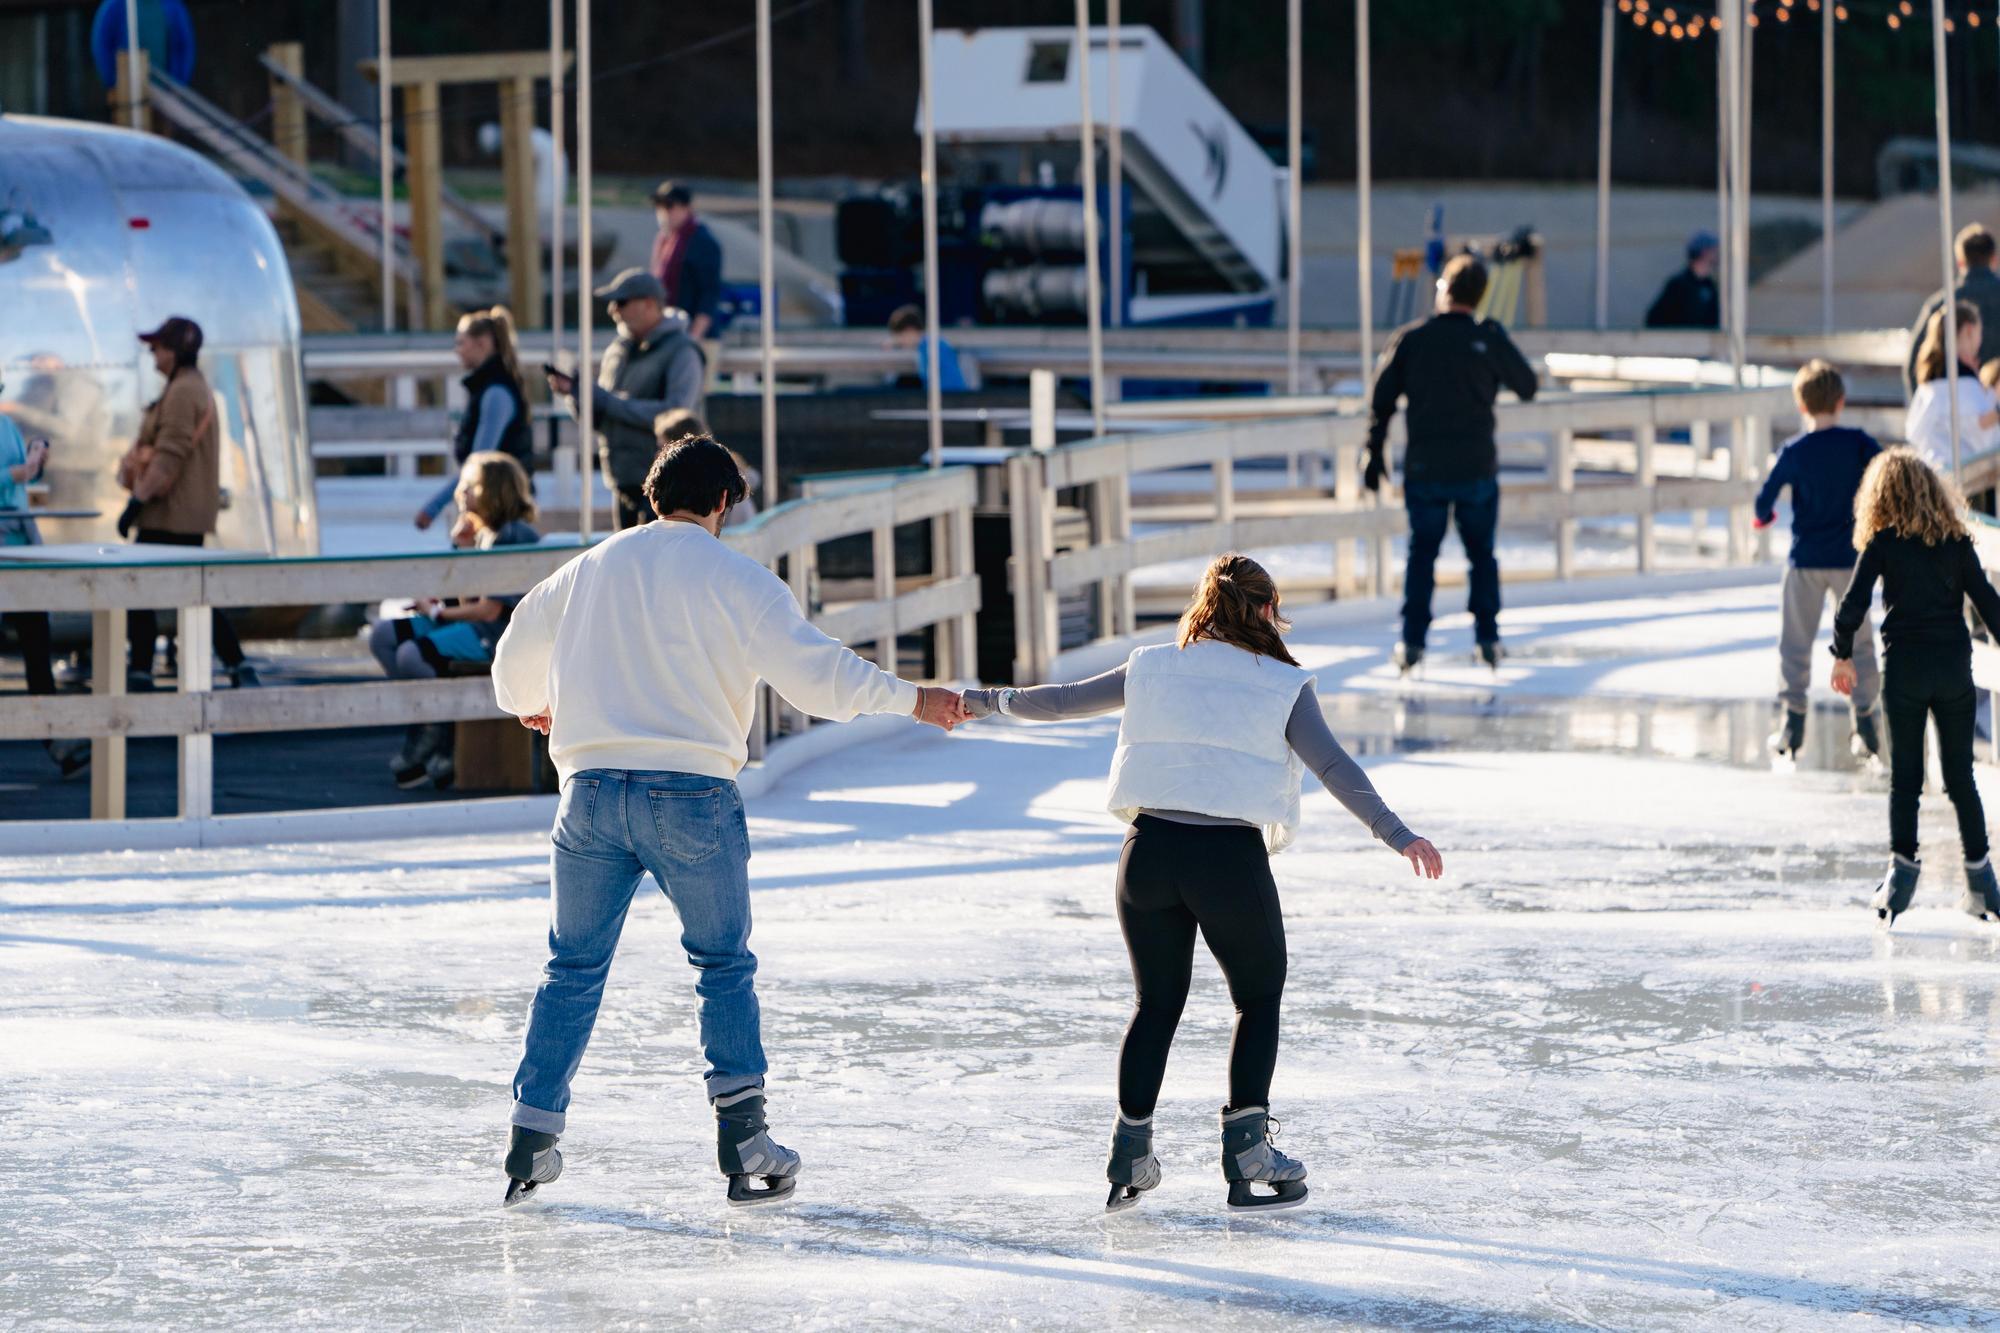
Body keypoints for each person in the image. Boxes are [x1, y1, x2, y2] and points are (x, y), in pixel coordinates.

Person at [488, 434, 969, 1208]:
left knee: (571, 968)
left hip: (588, 791)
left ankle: (530, 1140)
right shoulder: (737, 578)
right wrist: (914, 698)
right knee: (721, 964)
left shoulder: (587, 568)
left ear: (654, 495)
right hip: (691, 795)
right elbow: (820, 675)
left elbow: (513, 654)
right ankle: (745, 1139)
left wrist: (532, 701)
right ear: (719, 503)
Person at [959, 554, 1443, 1213]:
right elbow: (1332, 764)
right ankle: (1248, 1151)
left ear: (1204, 606)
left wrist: (982, 701)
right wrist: (1398, 833)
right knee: (1258, 996)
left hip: (1147, 853)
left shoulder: (1153, 664)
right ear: (1268, 611)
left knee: (1155, 1004)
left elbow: (1065, 702)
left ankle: (1130, 1153)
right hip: (1227, 861)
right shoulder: (1282, 684)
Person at [1831, 448, 2000, 928]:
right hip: (1952, 671)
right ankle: (1982, 883)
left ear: (1879, 495)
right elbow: (1990, 604)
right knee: (1960, 775)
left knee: (1905, 779)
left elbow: (1852, 606)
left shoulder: (1882, 543)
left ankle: (1900, 880)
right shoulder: (1957, 541)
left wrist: (1842, 654)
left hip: (1904, 670)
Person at [1364, 253, 1539, 672]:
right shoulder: (1488, 338)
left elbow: (1380, 399)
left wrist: (1374, 448)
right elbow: (1528, 386)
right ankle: (1487, 637)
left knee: (1421, 554)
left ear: (1445, 288)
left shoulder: (1413, 338)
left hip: (1427, 469)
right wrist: (1494, 345)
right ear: (1479, 296)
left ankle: (1412, 642)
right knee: (1482, 555)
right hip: (1476, 466)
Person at [372, 452, 542, 790]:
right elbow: (469, 600)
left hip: (497, 635)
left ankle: (438, 736)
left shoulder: (513, 534)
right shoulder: (485, 533)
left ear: (493, 490)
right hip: (476, 626)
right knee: (384, 636)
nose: (460, 493)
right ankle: (427, 724)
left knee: (412, 654)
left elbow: (490, 611)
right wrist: (462, 548)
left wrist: (437, 613)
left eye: (469, 486)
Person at [1753, 360, 1883, 763]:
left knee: (1795, 642)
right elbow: (1885, 476)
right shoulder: (1859, 443)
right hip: (1850, 560)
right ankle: (1866, 724)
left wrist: (1765, 518)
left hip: (1805, 561)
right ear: (1840, 401)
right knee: (1859, 641)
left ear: (1801, 405)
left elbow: (1764, 501)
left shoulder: (1794, 452)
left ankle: (1792, 723)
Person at [114, 317, 255, 690]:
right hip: (181, 515)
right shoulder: (189, 387)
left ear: (175, 352)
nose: (152, 356)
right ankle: (237, 665)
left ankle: (142, 670)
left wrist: (136, 502)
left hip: (170, 516)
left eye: (157, 348)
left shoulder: (181, 393)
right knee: (191, 594)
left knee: (143, 589)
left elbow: (169, 456)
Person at [546, 269, 705, 531]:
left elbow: (676, 416)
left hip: (666, 485)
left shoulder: (683, 351)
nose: (613, 310)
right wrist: (575, 394)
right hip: (622, 481)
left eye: (621, 302)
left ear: (650, 304)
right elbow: (601, 418)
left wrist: (604, 400)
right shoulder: (618, 350)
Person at [415, 307, 534, 532]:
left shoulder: (496, 392)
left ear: (483, 343)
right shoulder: (489, 387)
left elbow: (478, 462)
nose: (457, 350)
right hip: (494, 504)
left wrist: (433, 507)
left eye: (461, 343)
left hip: (503, 509)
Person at [1903, 224, 2000, 398]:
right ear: (1994, 259)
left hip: (1956, 410)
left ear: (1960, 261)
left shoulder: (1941, 305)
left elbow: (1916, 365)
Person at [1904, 301, 2000, 475]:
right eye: (1979, 332)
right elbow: (1978, 426)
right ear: (1969, 330)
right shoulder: (1962, 386)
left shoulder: (1929, 385)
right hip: (1965, 480)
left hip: (1931, 475)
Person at [652, 409, 761, 527]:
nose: (658, 455)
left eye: (663, 449)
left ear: (680, 449)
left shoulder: (711, 481)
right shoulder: (724, 470)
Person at [648, 182, 723, 342]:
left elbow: (709, 293)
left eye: (669, 206)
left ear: (686, 208)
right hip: (668, 333)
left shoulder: (702, 242)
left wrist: (693, 338)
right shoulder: (664, 240)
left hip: (695, 336)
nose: (663, 212)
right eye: (659, 206)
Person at [1644, 230, 1721, 330]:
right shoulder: (1678, 284)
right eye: (1713, 250)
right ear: (1704, 252)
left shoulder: (1709, 285)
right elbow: (1654, 319)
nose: (1717, 254)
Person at [887, 304, 969, 392]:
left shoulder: (929, 348)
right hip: (951, 395)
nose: (901, 342)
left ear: (910, 330)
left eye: (900, 337)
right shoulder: (932, 343)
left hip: (949, 396)